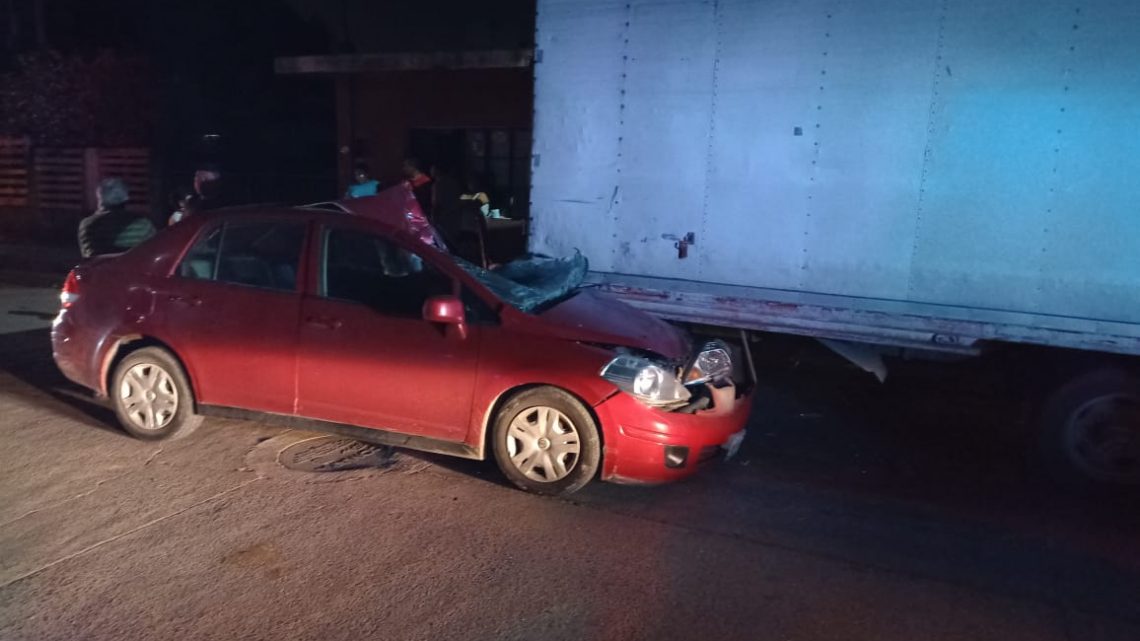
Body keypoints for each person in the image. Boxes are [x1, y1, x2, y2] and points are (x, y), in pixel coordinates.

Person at [77, 178, 156, 258]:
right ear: (126, 197)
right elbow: (153, 254)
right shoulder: (143, 225)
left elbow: (88, 258)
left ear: (100, 198)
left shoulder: (86, 225)